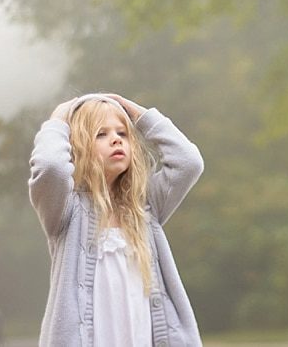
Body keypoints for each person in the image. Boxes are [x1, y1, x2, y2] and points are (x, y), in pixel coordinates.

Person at [29, 93, 204, 347]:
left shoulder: (144, 207)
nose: (115, 140)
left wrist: (139, 115)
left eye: (122, 133)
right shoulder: (66, 210)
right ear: (77, 147)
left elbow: (188, 162)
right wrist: (59, 119)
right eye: (101, 134)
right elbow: (50, 167)